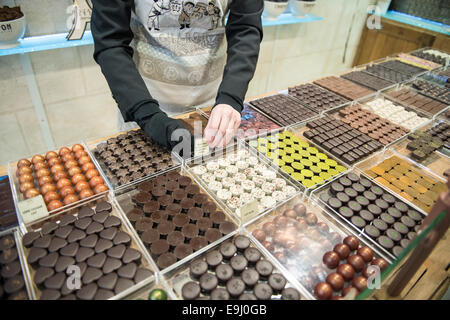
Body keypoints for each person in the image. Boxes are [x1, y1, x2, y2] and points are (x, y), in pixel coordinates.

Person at [91, 0, 263, 154]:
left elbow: (245, 28)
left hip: (211, 106)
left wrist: (230, 97)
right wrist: (146, 115)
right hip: (145, 102)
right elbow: (110, 42)